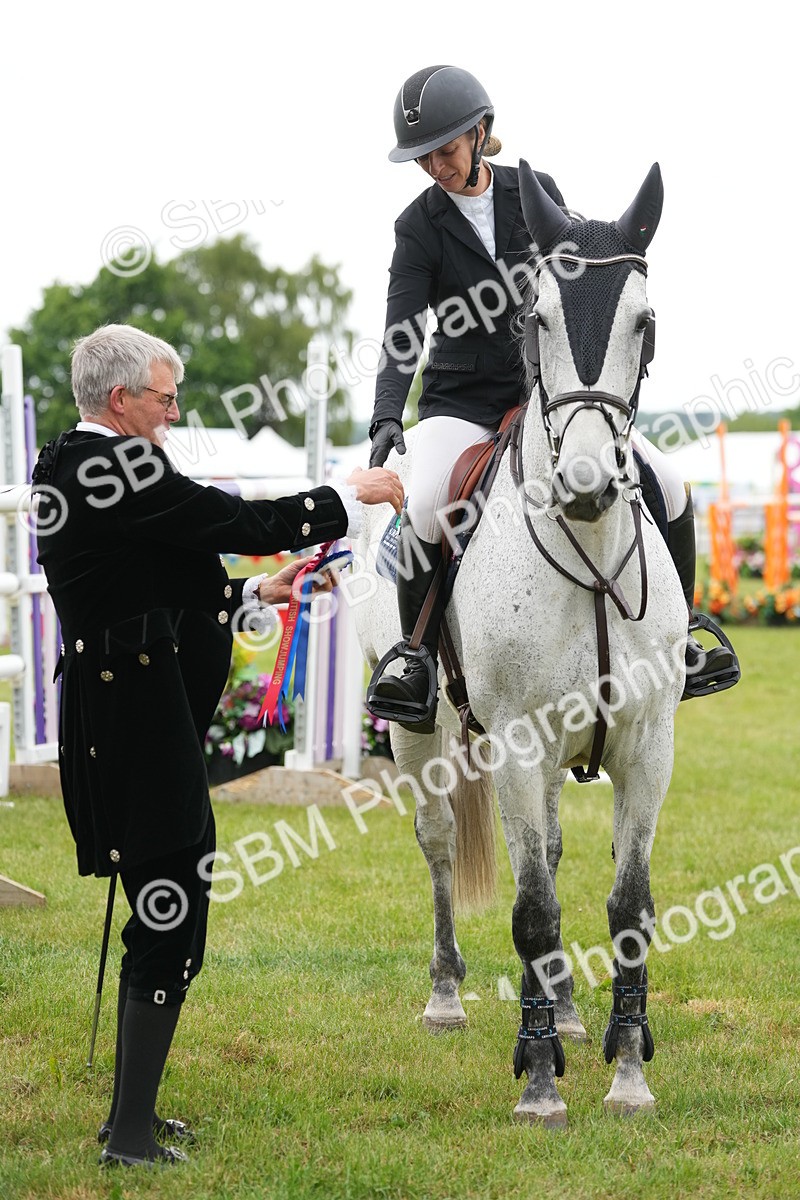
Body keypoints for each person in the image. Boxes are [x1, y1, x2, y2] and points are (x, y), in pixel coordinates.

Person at [31, 323, 402, 1168]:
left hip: (125, 717)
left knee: (170, 905)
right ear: (120, 399)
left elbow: (151, 572)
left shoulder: (82, 467)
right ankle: (127, 1136)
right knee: (169, 910)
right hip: (133, 728)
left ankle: (132, 1117)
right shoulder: (111, 466)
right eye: (164, 399)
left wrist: (248, 592)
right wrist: (344, 498)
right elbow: (225, 518)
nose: (173, 414)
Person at [366, 64, 737, 732]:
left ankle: (684, 639)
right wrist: (387, 413)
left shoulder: (533, 196)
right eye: (424, 158)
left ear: (480, 134)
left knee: (672, 482)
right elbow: (402, 330)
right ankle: (415, 658)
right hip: (461, 403)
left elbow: (579, 291)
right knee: (424, 504)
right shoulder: (416, 226)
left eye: (445, 151)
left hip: (552, 398)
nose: (436, 167)